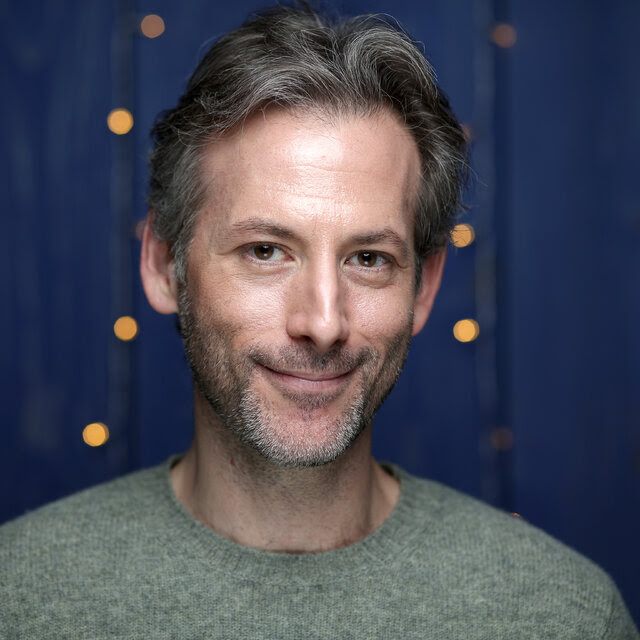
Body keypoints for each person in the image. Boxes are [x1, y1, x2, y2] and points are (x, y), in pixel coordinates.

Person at [1, 4, 638, 638]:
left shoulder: (562, 614)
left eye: (369, 259)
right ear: (164, 264)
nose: (324, 322)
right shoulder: (22, 597)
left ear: (424, 287)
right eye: (265, 251)